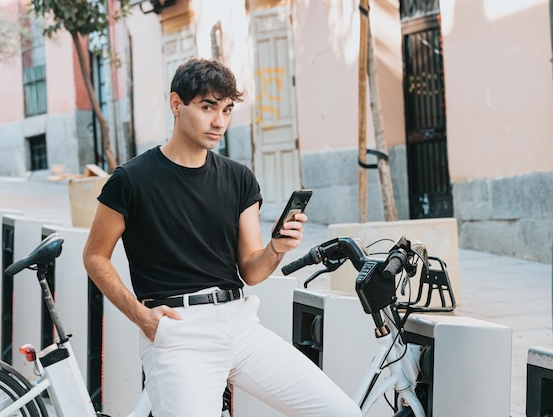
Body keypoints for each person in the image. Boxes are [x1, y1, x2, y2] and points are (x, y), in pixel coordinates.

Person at [82, 58, 361, 417]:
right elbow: (94, 256)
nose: (219, 122)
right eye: (207, 107)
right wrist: (141, 316)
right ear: (176, 104)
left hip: (240, 325)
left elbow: (251, 271)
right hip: (179, 335)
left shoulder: (238, 178)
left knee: (341, 412)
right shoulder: (130, 180)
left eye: (227, 110)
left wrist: (277, 248)